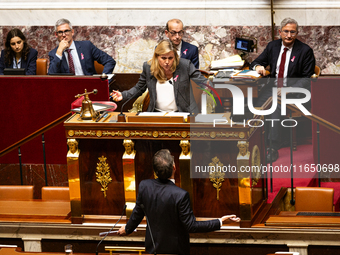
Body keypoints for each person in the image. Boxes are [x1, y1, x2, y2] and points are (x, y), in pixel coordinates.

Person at [117, 149, 240, 255]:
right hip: (176, 252)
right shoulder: (181, 195)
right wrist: (221, 221)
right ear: (174, 168)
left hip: (152, 250)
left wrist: (127, 229)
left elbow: (137, 213)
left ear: (155, 171)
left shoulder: (145, 186)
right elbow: (192, 226)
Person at [249, 17, 315, 162]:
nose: (289, 35)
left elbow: (306, 79)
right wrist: (258, 67)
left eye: (292, 32)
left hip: (294, 92)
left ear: (297, 33)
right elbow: (255, 62)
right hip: (273, 87)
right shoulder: (273, 46)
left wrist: (288, 90)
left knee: (275, 104)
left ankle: (272, 146)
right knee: (255, 105)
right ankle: (255, 142)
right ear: (280, 32)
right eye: (286, 31)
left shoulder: (305, 51)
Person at [111, 40, 209, 114]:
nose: (167, 62)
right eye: (163, 58)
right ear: (157, 57)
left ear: (174, 57)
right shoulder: (148, 67)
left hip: (182, 113)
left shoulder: (185, 65)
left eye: (170, 58)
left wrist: (213, 85)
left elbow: (203, 82)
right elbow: (139, 88)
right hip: (156, 114)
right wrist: (123, 95)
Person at [48, 18, 116, 75]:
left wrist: (103, 81)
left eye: (66, 31)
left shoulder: (86, 46)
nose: (64, 35)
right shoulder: (54, 54)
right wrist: (59, 51)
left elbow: (109, 61)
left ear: (72, 32)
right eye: (60, 32)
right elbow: (51, 76)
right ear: (56, 35)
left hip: (89, 87)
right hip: (68, 89)